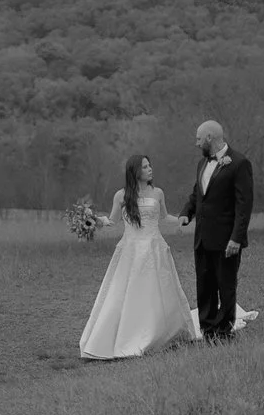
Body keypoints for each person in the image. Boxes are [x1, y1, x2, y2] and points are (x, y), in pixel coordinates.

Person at [78, 153, 201, 360]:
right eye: (145, 167)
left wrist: (184, 220)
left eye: (150, 165)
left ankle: (158, 332)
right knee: (129, 292)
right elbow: (113, 221)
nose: (150, 169)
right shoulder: (121, 195)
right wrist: (94, 221)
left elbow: (164, 217)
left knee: (155, 291)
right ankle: (131, 334)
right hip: (131, 250)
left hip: (155, 248)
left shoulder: (158, 193)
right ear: (135, 171)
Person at [178, 119, 254, 343]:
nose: (196, 143)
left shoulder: (239, 163)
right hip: (202, 238)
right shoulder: (202, 164)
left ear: (210, 138)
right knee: (205, 285)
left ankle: (224, 332)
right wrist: (186, 213)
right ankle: (208, 330)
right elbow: (197, 194)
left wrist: (236, 239)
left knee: (225, 285)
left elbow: (244, 205)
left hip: (226, 240)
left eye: (199, 139)